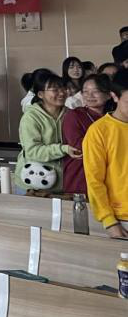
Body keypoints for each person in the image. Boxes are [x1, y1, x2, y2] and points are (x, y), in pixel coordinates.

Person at [13, 72, 77, 194]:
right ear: (41, 94)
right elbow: (33, 151)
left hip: (63, 183)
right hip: (33, 183)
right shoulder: (31, 117)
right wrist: (63, 149)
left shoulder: (70, 114)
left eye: (63, 88)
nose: (62, 93)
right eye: (55, 90)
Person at [82, 70, 128, 238]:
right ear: (114, 96)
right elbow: (94, 180)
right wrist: (109, 221)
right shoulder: (99, 131)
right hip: (121, 218)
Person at [62, 74, 112, 194]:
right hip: (81, 176)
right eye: (85, 91)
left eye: (95, 91)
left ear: (109, 94)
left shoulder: (113, 117)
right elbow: (79, 146)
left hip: (110, 177)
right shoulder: (75, 115)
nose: (89, 96)